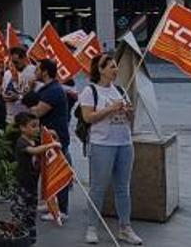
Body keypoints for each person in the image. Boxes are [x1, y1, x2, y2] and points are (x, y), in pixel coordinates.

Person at [79, 55, 143, 245]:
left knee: (123, 187)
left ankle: (125, 227)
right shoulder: (90, 91)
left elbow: (130, 120)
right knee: (98, 187)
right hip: (101, 144)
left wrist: (128, 112)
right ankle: (92, 227)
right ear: (101, 69)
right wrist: (110, 109)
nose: (116, 70)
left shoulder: (120, 90)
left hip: (124, 143)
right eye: (112, 67)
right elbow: (88, 117)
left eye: (116, 67)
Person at [23, 59, 72, 220]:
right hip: (47, 137)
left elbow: (37, 112)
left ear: (44, 71)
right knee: (47, 170)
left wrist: (29, 102)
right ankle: (50, 202)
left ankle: (61, 210)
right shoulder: (46, 88)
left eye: (37, 69)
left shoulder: (54, 90)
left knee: (58, 169)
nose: (35, 71)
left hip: (56, 137)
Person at [14, 111, 60, 238]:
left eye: (38, 126)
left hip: (32, 184)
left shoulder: (35, 140)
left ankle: (29, 234)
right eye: (33, 126)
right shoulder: (22, 142)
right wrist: (50, 144)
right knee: (22, 211)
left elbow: (44, 147)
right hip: (22, 183)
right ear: (22, 128)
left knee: (31, 211)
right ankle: (20, 234)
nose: (37, 129)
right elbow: (33, 151)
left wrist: (52, 137)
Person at [2, 47, 36, 120]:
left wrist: (18, 97)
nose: (14, 65)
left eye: (16, 62)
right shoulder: (8, 73)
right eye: (12, 62)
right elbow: (4, 91)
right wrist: (6, 96)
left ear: (24, 59)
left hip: (26, 116)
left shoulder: (34, 72)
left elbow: (33, 96)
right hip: (10, 116)